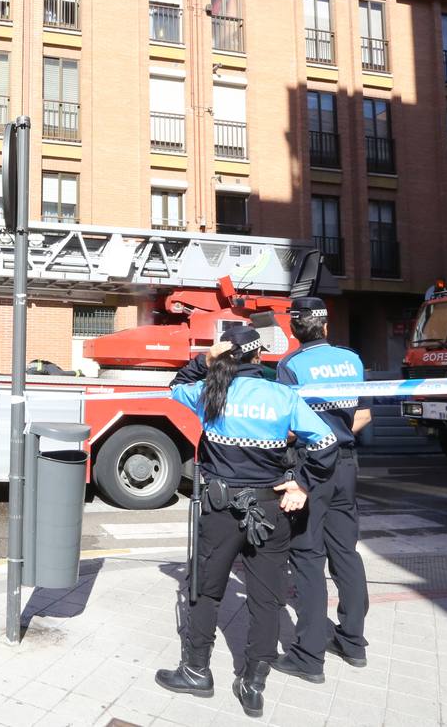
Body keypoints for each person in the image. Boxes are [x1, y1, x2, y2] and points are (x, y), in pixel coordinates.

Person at [155, 324, 338, 718]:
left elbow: (175, 385)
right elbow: (325, 443)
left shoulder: (211, 393)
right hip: (272, 510)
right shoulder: (282, 396)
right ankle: (253, 684)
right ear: (259, 356)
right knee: (267, 598)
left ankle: (196, 671)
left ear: (226, 357)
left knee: (206, 590)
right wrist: (302, 487)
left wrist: (204, 360)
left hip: (220, 511)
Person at [272, 296, 372, 683]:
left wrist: (315, 440)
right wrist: (338, 435)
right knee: (345, 551)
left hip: (311, 466)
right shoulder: (352, 360)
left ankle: (309, 656)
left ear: (295, 328)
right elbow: (364, 413)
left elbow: (291, 426)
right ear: (326, 325)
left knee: (307, 556)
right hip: (347, 463)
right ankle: (353, 642)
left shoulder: (291, 366)